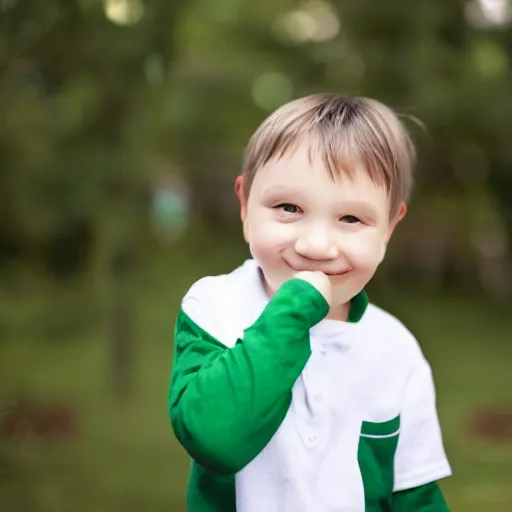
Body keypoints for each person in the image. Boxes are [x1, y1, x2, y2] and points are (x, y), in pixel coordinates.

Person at [168, 93, 452, 512]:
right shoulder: (215, 308)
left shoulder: (396, 350)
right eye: (288, 208)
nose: (316, 245)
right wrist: (295, 308)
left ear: (390, 226)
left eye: (351, 219)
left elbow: (414, 495)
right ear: (245, 205)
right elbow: (215, 440)